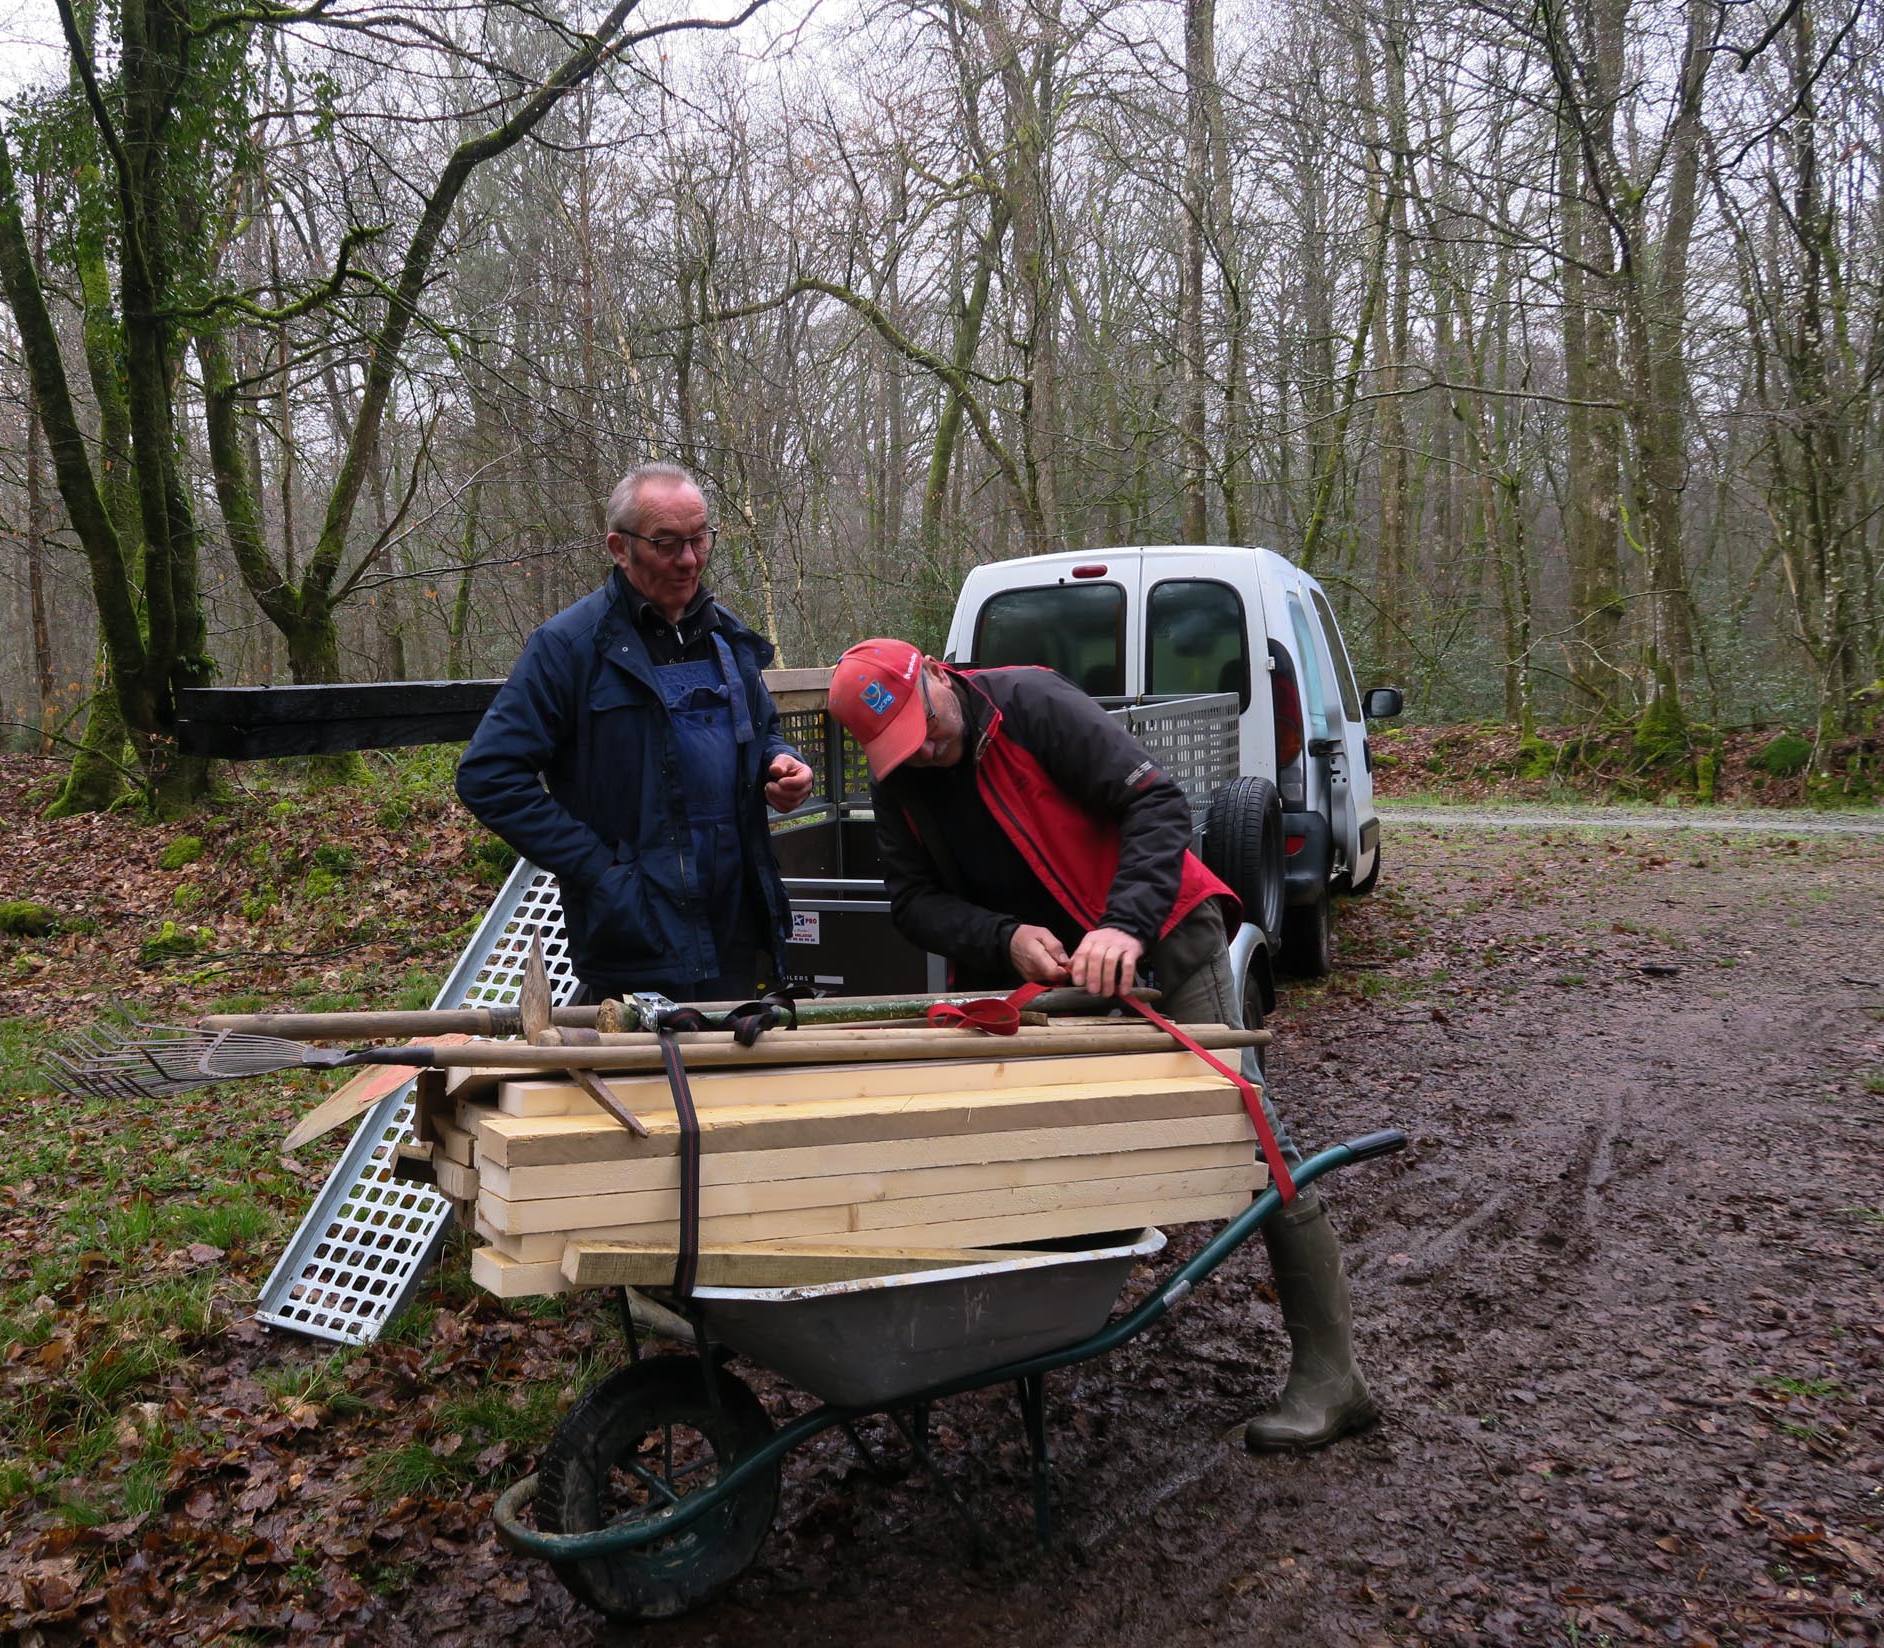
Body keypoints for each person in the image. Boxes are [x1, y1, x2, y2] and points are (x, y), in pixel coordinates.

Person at [826, 638, 1378, 1452]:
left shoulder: (1034, 704)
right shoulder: (903, 781)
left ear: (937, 677)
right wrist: (1004, 935)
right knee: (1043, 1142)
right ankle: (1029, 1338)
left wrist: (1122, 924)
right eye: (903, 746)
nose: (927, 749)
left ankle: (1336, 1379)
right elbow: (913, 902)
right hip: (1049, 975)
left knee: (1254, 1139)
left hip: (1161, 936)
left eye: (929, 727)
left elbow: (1157, 804)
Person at [456, 464, 814, 1004]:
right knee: (645, 1086)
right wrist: (602, 871)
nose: (689, 559)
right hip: (637, 932)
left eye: (699, 539)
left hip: (736, 923)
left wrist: (780, 763)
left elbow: (763, 733)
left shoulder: (726, 638)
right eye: (667, 543)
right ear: (620, 548)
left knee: (728, 1081)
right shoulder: (569, 648)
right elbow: (488, 777)